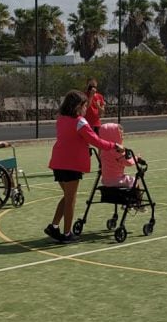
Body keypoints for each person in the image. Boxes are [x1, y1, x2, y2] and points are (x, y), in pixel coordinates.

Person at [46, 89, 123, 243]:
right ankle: (67, 234)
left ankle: (53, 227)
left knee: (67, 196)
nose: (86, 109)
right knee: (71, 199)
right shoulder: (80, 122)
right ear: (77, 106)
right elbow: (96, 141)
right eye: (84, 105)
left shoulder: (61, 118)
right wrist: (114, 145)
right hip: (70, 164)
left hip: (58, 162)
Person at [97, 121, 137, 188]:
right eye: (120, 135)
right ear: (114, 136)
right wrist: (136, 158)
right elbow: (128, 163)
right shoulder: (117, 150)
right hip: (117, 180)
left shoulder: (102, 150)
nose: (122, 137)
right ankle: (137, 197)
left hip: (105, 180)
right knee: (134, 180)